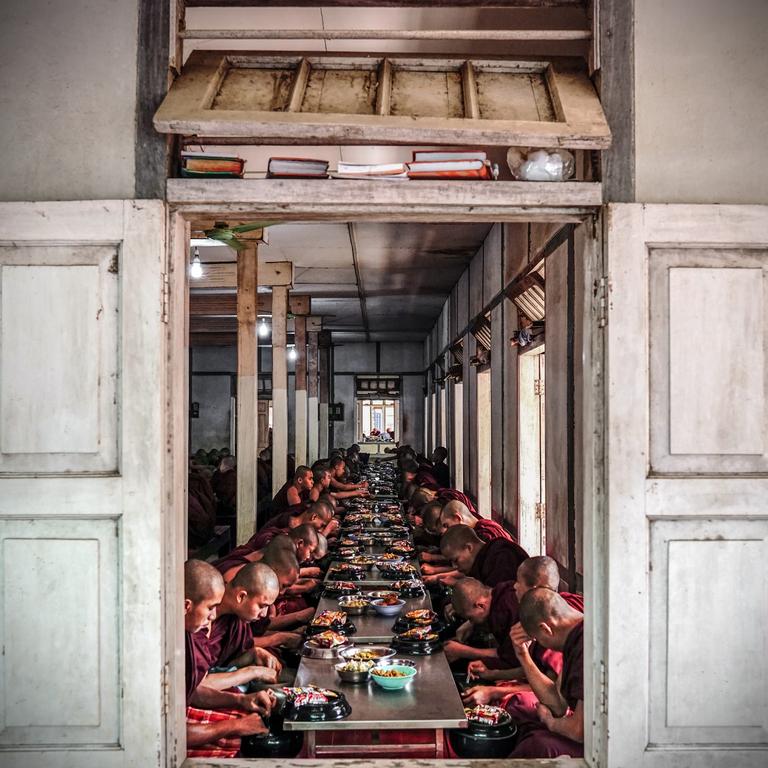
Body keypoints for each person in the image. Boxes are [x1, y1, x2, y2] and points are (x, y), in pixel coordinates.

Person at [183, 560, 275, 756]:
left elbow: (193, 690)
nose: (213, 615)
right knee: (243, 741)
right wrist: (235, 726)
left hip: (185, 708)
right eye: (210, 608)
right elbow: (170, 732)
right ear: (186, 606)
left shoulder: (210, 621)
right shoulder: (182, 635)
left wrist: (241, 700)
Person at [463, 556, 584, 686]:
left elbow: (556, 692)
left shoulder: (555, 623)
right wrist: (494, 673)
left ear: (535, 589)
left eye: (519, 582)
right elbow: (536, 668)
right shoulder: (540, 613)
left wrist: (495, 692)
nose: (515, 586)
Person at [507, 588, 585, 758]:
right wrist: (523, 655)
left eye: (539, 640)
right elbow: (558, 705)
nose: (543, 644)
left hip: (610, 745)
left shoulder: (587, 642)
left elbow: (579, 731)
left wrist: (550, 722)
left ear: (546, 629)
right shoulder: (575, 637)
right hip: (586, 733)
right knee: (519, 711)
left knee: (538, 745)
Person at [442, 577, 520, 665]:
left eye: (470, 618)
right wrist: (471, 625)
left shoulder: (505, 611)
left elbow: (511, 657)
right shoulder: (499, 591)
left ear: (480, 605)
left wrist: (462, 651)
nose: (471, 622)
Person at [440, 524, 529, 586]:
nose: (455, 567)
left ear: (469, 548)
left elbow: (495, 599)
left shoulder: (502, 556)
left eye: (455, 560)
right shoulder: (482, 561)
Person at [438, 500, 513, 543]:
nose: (446, 531)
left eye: (447, 526)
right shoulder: (480, 526)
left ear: (457, 518)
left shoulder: (483, 535)